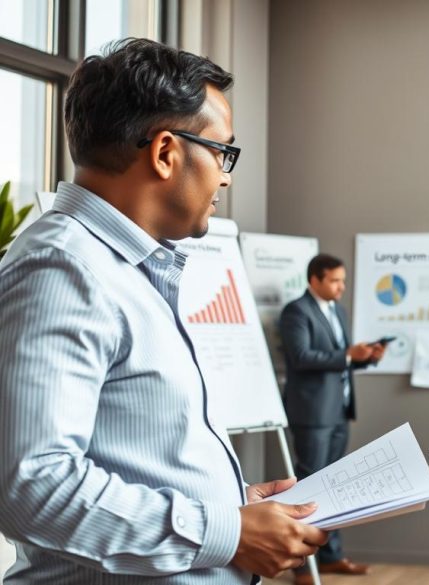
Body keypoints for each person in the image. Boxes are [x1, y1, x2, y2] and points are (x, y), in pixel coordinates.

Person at [0, 39, 326, 583]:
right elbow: (33, 487)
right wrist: (228, 533)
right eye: (223, 151)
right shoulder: (65, 270)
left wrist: (232, 506)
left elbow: (133, 453)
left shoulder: (125, 267)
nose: (225, 175)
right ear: (166, 152)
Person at [278, 253, 385, 583]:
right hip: (311, 413)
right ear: (315, 280)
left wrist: (364, 358)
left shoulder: (337, 310)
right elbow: (300, 357)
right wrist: (346, 355)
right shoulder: (296, 311)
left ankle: (330, 557)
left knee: (334, 485)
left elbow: (340, 359)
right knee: (308, 487)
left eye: (343, 280)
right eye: (335, 281)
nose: (341, 287)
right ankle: (300, 566)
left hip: (338, 411)